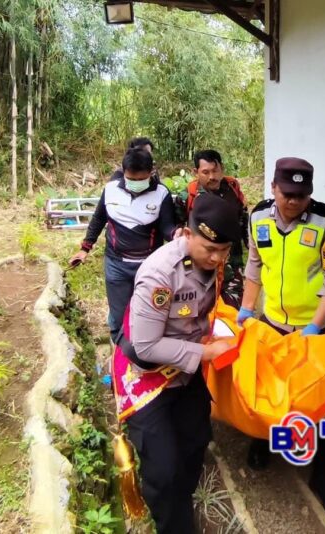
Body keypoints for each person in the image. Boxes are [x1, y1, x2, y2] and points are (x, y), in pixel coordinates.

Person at [112, 193, 240, 533]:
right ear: (188, 233)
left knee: (196, 441)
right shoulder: (160, 273)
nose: (217, 258)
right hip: (147, 375)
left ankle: (180, 505)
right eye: (209, 249)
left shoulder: (215, 262)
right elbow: (146, 345)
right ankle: (174, 523)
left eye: (224, 250)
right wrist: (205, 353)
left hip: (185, 370)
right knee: (164, 470)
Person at [237, 157, 325, 523]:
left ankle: (324, 476)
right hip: (273, 323)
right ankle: (263, 439)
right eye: (287, 194)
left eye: (301, 196)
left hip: (320, 328)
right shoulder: (258, 217)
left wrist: (314, 328)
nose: (293, 202)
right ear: (273, 188)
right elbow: (255, 264)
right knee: (267, 390)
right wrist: (247, 308)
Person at [69, 148, 175, 341]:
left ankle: (147, 350)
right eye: (131, 179)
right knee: (119, 317)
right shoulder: (111, 190)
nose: (135, 183)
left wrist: (177, 234)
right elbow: (98, 219)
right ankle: (121, 353)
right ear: (123, 172)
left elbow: (167, 226)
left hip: (150, 266)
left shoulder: (161, 194)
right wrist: (85, 248)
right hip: (116, 265)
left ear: (151, 172)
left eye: (140, 179)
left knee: (152, 314)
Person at [174, 150, 249, 307]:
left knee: (232, 309)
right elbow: (177, 226)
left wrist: (252, 249)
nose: (212, 177)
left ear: (222, 168)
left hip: (231, 263)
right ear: (195, 172)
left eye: (215, 171)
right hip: (199, 264)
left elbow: (243, 221)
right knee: (199, 308)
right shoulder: (188, 195)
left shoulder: (233, 189)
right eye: (206, 172)